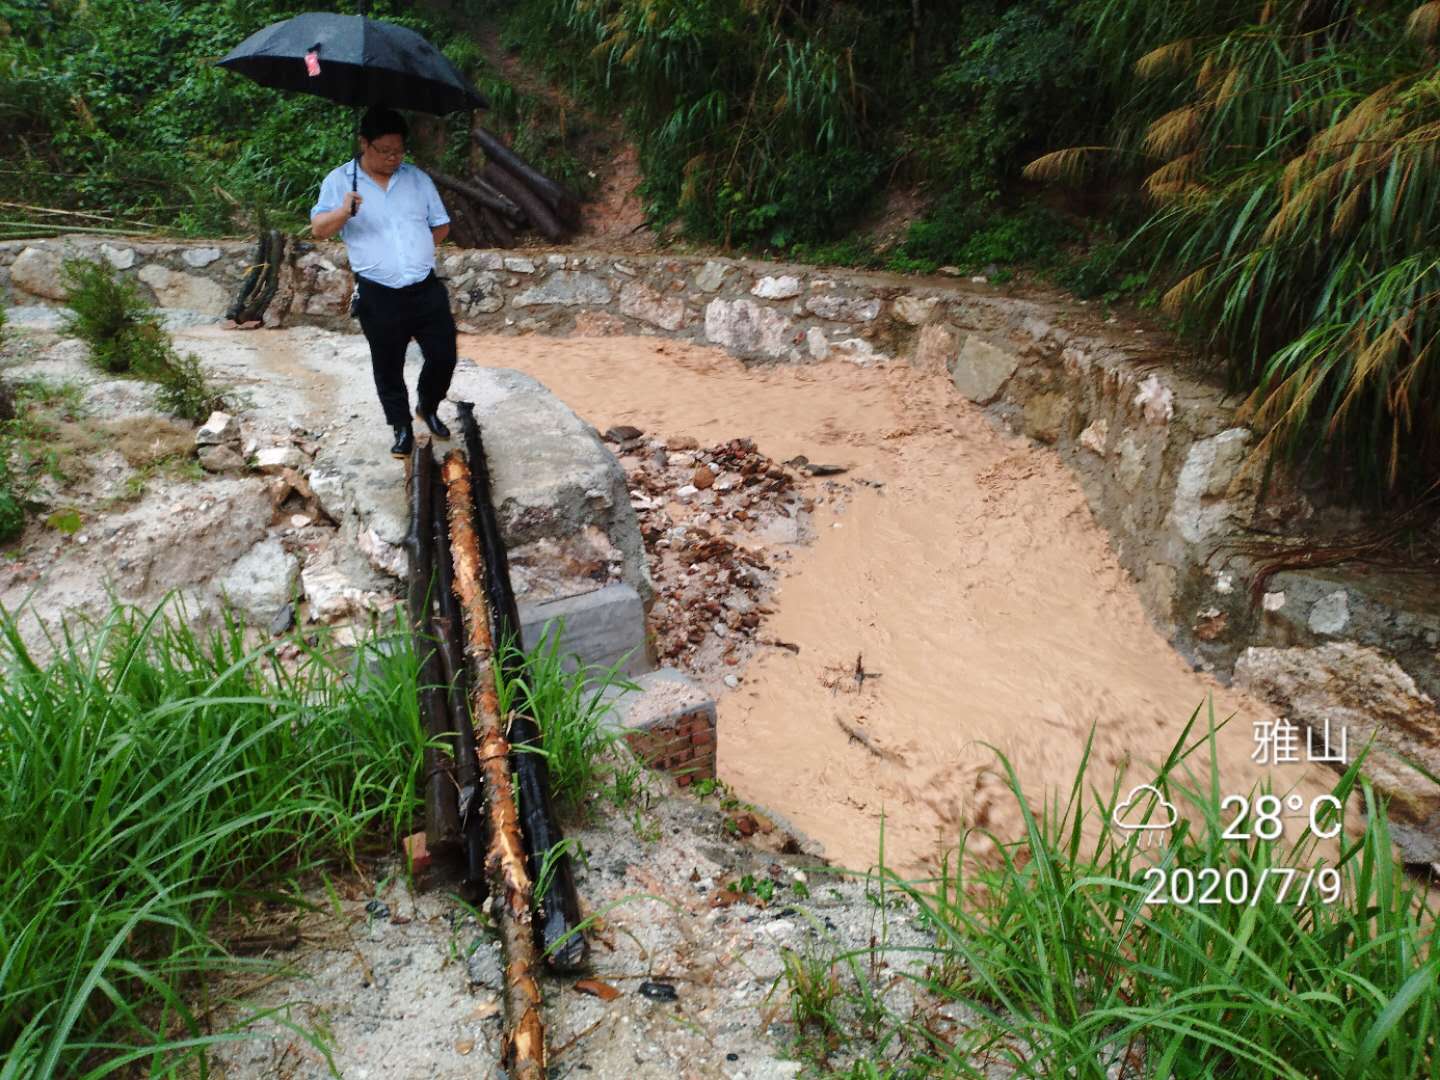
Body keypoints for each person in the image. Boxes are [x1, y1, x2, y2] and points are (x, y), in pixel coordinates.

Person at [310, 106, 455, 459]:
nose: (393, 158)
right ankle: (401, 426)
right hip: (378, 292)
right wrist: (344, 211)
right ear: (364, 143)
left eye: (399, 150)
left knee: (444, 354)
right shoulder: (340, 182)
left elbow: (441, 225)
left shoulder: (418, 179)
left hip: (424, 287)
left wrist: (413, 253)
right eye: (384, 151)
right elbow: (319, 229)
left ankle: (428, 405)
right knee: (388, 364)